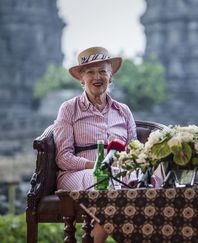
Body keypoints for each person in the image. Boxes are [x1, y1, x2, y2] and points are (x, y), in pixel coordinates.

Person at [54, 46, 137, 243]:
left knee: (144, 184)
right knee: (105, 180)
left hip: (117, 172)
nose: (97, 77)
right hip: (77, 174)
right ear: (81, 78)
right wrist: (96, 165)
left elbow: (136, 151)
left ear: (111, 77)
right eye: (90, 72)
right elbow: (63, 158)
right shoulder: (69, 109)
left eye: (102, 71)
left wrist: (128, 166)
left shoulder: (123, 111)